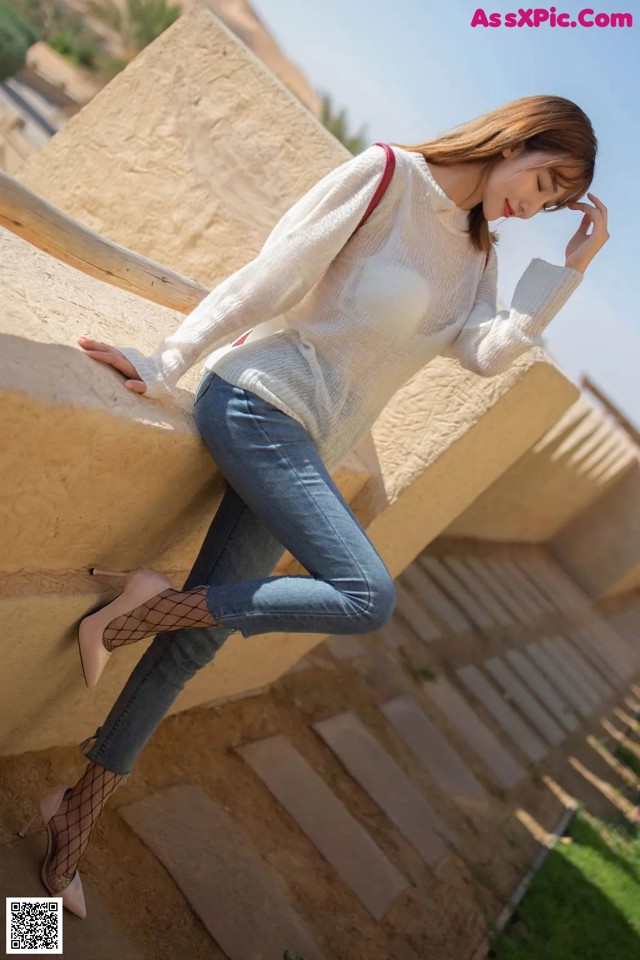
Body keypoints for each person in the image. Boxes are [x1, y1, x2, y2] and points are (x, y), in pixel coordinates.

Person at [24, 94, 608, 917]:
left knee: (200, 645)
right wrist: (169, 361)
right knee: (367, 594)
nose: (534, 204)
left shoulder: (479, 256)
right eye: (541, 179)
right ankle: (151, 608)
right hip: (258, 402)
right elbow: (276, 272)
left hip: (309, 448)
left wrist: (569, 271)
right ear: (515, 138)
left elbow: (484, 354)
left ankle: (73, 813)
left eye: (552, 201)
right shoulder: (386, 178)